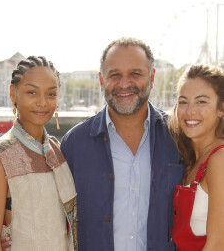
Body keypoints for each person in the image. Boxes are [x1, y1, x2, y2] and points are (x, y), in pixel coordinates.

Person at [61, 37, 184, 251]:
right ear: (101, 80)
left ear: (152, 78)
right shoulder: (74, 144)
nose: (124, 83)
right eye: (114, 75)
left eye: (135, 74)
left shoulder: (178, 138)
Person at [0, 56, 78, 251]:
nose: (42, 102)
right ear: (13, 93)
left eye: (51, 94)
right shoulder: (0, 155)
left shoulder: (57, 151)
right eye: (32, 92)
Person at [169, 64, 224, 250]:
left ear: (221, 108)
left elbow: (218, 244)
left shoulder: (220, 159)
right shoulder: (189, 159)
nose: (190, 110)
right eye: (183, 101)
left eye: (201, 102)